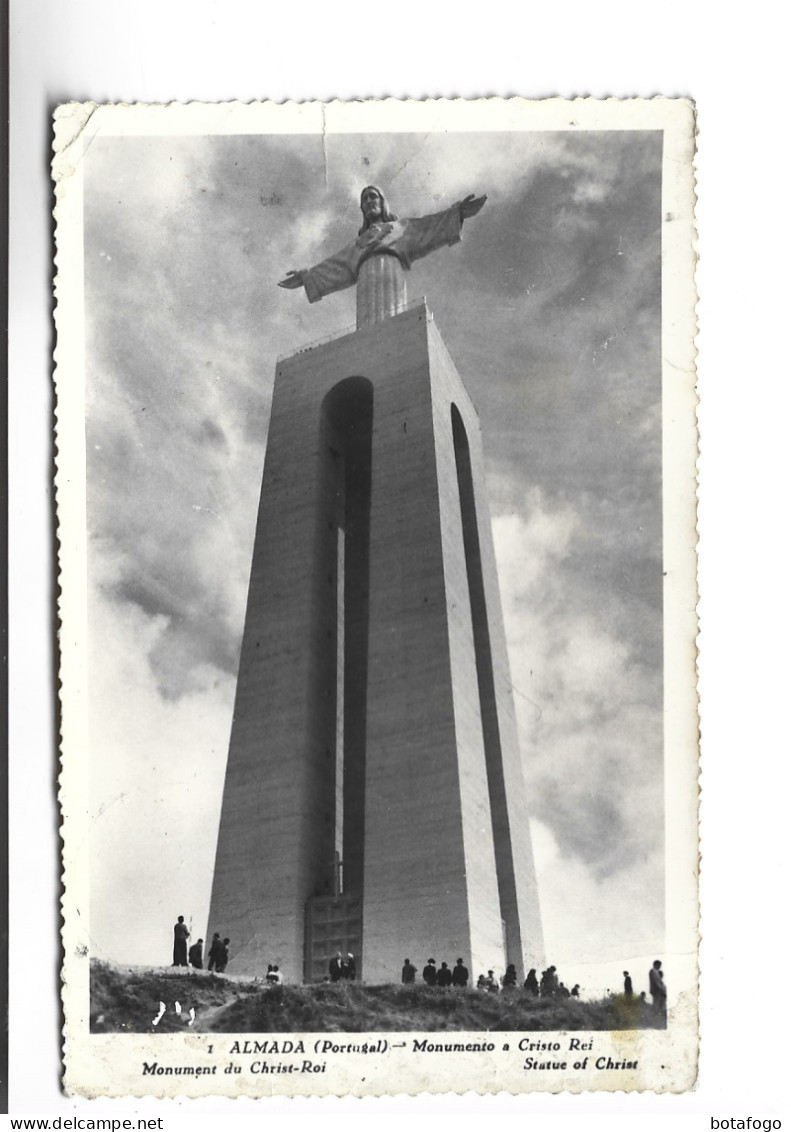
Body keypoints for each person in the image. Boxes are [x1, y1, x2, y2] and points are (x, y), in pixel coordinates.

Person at [278, 185, 487, 306]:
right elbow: (333, 266)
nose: (369, 201)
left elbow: (429, 226)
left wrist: (456, 213)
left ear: (382, 201)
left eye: (373, 196)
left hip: (392, 282)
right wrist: (307, 276)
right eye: (364, 200)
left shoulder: (402, 228)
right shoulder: (355, 246)